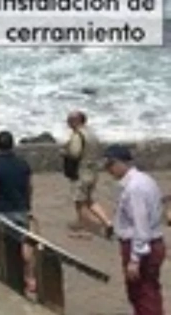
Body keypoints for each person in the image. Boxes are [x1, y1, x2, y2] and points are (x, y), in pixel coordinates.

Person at [104, 144, 165, 315]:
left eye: (110, 165)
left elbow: (141, 224)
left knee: (142, 295)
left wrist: (135, 258)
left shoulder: (134, 188)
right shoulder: (145, 180)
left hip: (141, 245)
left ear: (119, 163)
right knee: (149, 291)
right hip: (153, 242)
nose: (109, 170)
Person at [0, 130, 37, 295]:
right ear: (13, 145)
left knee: (4, 243)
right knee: (25, 243)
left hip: (3, 210)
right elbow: (30, 186)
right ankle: (30, 278)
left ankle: (7, 276)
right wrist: (28, 204)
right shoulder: (23, 164)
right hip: (21, 208)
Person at [61, 111, 114, 239]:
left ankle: (85, 229)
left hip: (81, 172)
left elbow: (75, 153)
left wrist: (64, 152)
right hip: (93, 171)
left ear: (76, 121)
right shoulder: (92, 134)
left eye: (69, 120)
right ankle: (107, 222)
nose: (67, 123)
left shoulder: (78, 135)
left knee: (80, 202)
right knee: (89, 200)